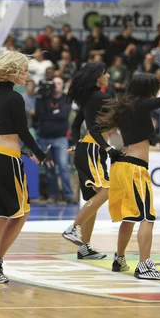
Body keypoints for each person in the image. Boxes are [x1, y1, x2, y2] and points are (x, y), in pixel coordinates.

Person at [0, 50, 52, 284]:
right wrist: (39, 153)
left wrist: (25, 150)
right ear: (12, 72)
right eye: (24, 70)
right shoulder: (15, 98)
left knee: (3, 215)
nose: (26, 74)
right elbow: (23, 131)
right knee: (10, 215)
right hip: (5, 159)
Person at [96, 73, 160, 279]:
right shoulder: (140, 106)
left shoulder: (125, 108)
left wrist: (109, 149)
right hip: (134, 168)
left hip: (121, 167)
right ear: (147, 90)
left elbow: (95, 130)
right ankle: (144, 265)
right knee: (147, 217)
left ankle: (119, 259)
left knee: (130, 217)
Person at [62, 62, 113, 260]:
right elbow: (94, 128)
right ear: (96, 78)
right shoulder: (101, 97)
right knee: (106, 191)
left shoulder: (89, 99)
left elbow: (75, 126)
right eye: (105, 73)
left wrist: (76, 144)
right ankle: (73, 228)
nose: (108, 76)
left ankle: (85, 247)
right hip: (93, 149)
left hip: (86, 148)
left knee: (92, 198)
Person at [36, 77, 75, 203]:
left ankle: (68, 195)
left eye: (59, 83)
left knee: (63, 165)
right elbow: (40, 115)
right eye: (54, 83)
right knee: (49, 168)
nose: (56, 85)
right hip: (44, 137)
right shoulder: (43, 97)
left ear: (62, 85)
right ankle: (53, 195)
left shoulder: (66, 98)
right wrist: (54, 114)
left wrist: (51, 115)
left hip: (60, 137)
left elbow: (63, 115)